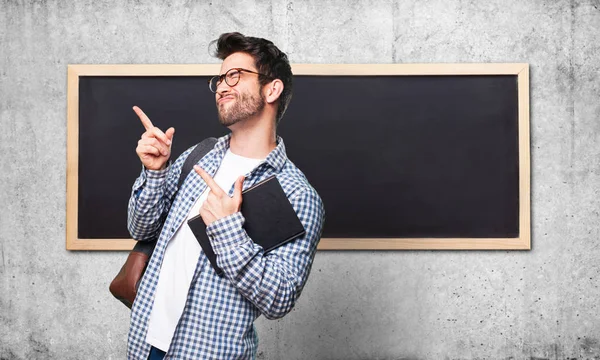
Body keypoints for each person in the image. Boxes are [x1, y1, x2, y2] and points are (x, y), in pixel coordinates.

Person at [126, 32, 325, 360]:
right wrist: (155, 171)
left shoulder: (296, 194)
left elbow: (279, 299)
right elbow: (141, 229)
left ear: (271, 89)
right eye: (219, 78)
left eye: (235, 75)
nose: (221, 85)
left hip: (209, 354)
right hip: (144, 345)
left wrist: (227, 229)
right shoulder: (199, 156)